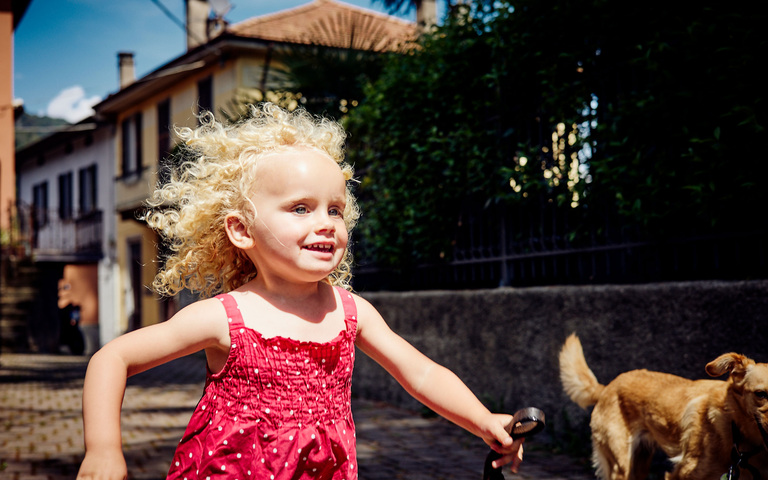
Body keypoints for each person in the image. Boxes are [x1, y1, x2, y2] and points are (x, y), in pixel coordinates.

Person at [76, 103, 524, 480]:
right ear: (241, 230)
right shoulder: (224, 316)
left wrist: (483, 419)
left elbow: (421, 374)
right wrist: (102, 449)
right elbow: (112, 358)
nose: (326, 222)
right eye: (300, 208)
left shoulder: (351, 312)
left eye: (335, 209)